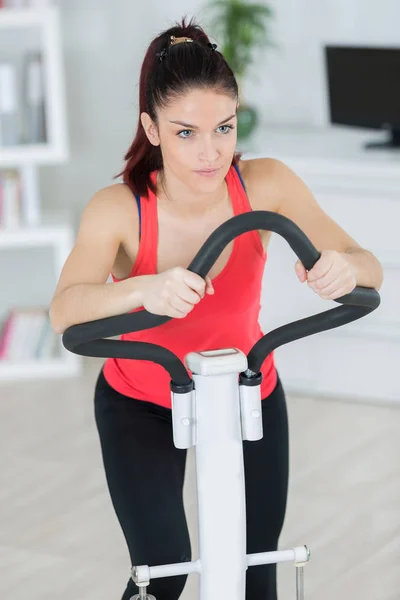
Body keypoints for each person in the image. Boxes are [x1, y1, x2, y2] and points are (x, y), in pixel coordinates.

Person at [49, 16, 383, 600]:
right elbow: (65, 311)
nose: (211, 153)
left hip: (246, 391)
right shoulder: (118, 208)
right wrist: (141, 290)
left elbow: (368, 265)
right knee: (165, 574)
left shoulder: (266, 184)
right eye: (185, 133)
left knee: (257, 571)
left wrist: (344, 269)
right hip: (143, 400)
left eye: (223, 128)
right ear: (151, 128)